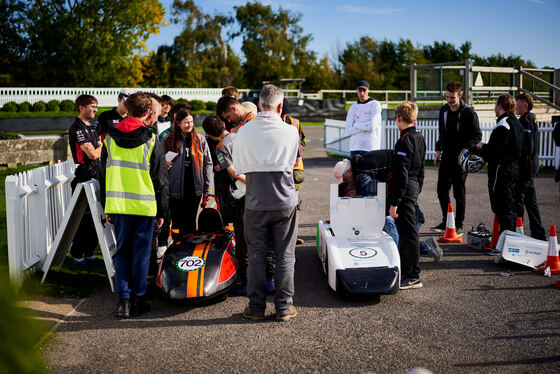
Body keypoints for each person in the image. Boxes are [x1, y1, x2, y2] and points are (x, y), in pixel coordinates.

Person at [233, 84, 299, 322]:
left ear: (260, 104)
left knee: (257, 256)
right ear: (280, 106)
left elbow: (240, 168)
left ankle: (256, 307)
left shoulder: (244, 131)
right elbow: (291, 164)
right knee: (285, 256)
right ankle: (283, 307)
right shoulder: (290, 131)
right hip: (284, 200)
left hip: (255, 201)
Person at [99, 92, 168, 318]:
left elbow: (103, 174)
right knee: (141, 254)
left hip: (118, 204)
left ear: (126, 109)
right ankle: (138, 299)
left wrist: (106, 205)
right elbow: (160, 179)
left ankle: (123, 300)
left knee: (122, 253)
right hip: (144, 205)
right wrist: (162, 210)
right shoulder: (151, 139)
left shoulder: (109, 138)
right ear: (148, 113)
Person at [202, 115, 249, 295]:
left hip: (240, 194)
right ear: (222, 125)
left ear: (208, 134)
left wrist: (249, 182)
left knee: (242, 237)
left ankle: (245, 281)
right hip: (257, 190)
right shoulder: (241, 135)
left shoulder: (221, 148)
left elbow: (233, 172)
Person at [433, 81, 481, 233]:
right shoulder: (444, 110)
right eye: (447, 97)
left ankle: (458, 224)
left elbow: (477, 135)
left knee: (458, 192)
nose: (449, 101)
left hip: (461, 159)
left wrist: (466, 149)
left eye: (452, 98)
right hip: (446, 156)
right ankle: (447, 221)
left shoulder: (468, 113)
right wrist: (438, 149)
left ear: (460, 95)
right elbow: (442, 133)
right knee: (442, 191)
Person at [388, 101, 426, 289]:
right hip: (414, 186)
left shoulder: (403, 140)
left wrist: (395, 202)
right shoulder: (419, 136)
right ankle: (407, 270)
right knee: (408, 232)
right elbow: (422, 169)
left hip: (405, 191)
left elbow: (400, 175)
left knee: (408, 233)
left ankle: (413, 275)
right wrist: (417, 188)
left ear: (399, 118)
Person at [475, 94, 523, 233]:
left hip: (501, 171)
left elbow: (496, 151)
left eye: (496, 105)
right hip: (514, 168)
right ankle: (509, 239)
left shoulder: (503, 125)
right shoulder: (517, 123)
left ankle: (507, 242)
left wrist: (482, 147)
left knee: (502, 207)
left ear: (500, 106)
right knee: (510, 206)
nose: (495, 108)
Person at [164, 109, 212, 236]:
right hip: (175, 188)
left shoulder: (200, 140)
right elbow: (161, 162)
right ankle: (177, 247)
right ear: (178, 123)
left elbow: (208, 164)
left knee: (190, 221)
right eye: (186, 122)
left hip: (194, 188)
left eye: (191, 122)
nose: (190, 125)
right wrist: (165, 164)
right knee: (176, 222)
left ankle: (189, 249)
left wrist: (206, 188)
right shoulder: (169, 140)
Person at [68, 94, 102, 267]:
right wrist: (100, 146)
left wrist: (98, 145)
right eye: (92, 106)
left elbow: (97, 146)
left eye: (96, 106)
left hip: (96, 174)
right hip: (84, 176)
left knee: (96, 218)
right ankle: (77, 255)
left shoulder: (92, 126)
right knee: (83, 219)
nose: (95, 110)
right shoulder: (78, 128)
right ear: (81, 107)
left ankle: (89, 253)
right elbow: (93, 154)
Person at [514, 93, 546, 240]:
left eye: (518, 103)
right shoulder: (528, 119)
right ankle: (538, 232)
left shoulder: (526, 120)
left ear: (525, 105)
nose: (515, 106)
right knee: (530, 201)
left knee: (519, 200)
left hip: (526, 168)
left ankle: (517, 230)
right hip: (530, 168)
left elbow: (528, 146)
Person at [281, 98, 306, 245]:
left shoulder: (295, 123)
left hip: (295, 173)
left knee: (293, 205)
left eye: (285, 114)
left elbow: (302, 142)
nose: (283, 116)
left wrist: (295, 151)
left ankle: (292, 236)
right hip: (280, 171)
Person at [345, 79, 382, 158]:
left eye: (364, 90)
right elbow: (348, 130)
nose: (362, 93)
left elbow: (371, 126)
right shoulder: (353, 107)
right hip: (354, 148)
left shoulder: (375, 105)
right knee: (355, 170)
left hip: (370, 147)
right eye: (359, 90)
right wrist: (365, 126)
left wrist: (356, 125)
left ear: (368, 90)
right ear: (356, 91)